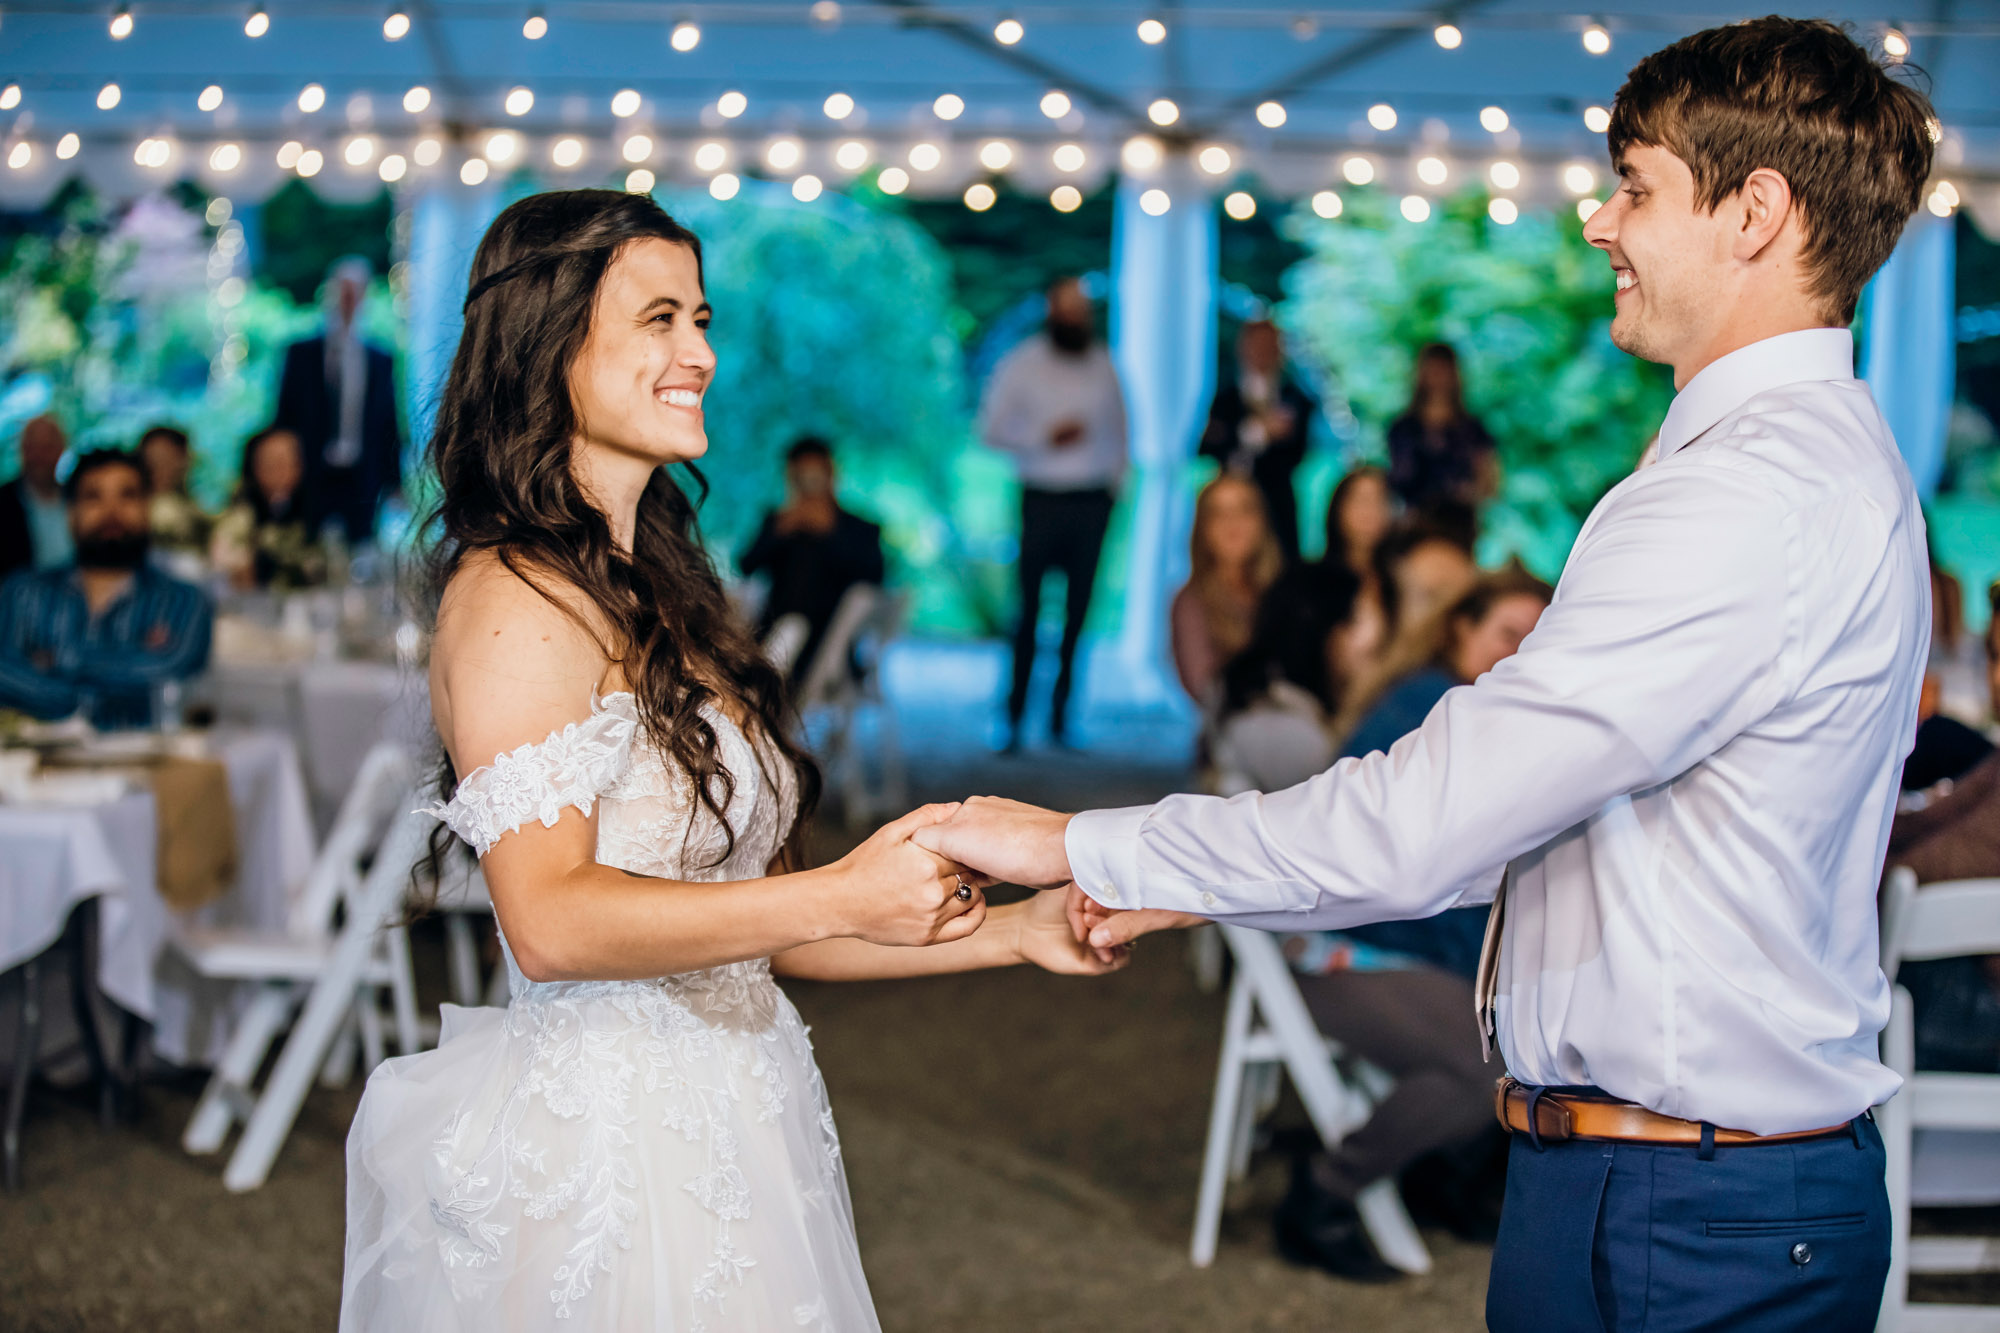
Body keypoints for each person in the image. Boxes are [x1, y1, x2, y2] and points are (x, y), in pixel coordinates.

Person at [919, 19, 1937, 1331]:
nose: (1599, 222)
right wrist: (1209, 880)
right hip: (1702, 1183)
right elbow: (1537, 820)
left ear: (1755, 212)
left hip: (1683, 1204)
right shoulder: (1818, 460)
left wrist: (1088, 844)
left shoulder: (1741, 495)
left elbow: (1434, 822)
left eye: (1635, 185)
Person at [339, 189, 1122, 1332]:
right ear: (550, 340)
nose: (698, 352)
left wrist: (1016, 931)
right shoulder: (510, 595)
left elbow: (750, 928)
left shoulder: (664, 586)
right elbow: (550, 921)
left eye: (701, 319)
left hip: (745, 1119)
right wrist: (842, 886)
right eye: (658, 319)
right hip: (610, 1159)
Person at [1275, 569, 1554, 1279]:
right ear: (1460, 628)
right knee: (1487, 1061)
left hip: (1408, 944)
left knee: (1546, 1024)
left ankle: (1447, 1177)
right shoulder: (1431, 708)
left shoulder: (1478, 711)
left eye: (1537, 635)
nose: (1522, 648)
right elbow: (1401, 876)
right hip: (1348, 949)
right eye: (1506, 632)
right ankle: (1325, 1189)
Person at [978, 275, 1129, 751]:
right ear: (1050, 309)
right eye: (1067, 306)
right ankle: (1015, 716)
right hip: (1041, 496)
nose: (1075, 315)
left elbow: (1123, 431)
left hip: (1091, 500)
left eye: (1080, 307)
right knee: (1027, 610)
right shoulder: (1020, 363)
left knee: (1078, 613)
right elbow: (990, 429)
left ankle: (1063, 716)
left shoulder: (1103, 363)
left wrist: (1114, 491)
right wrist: (1043, 438)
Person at [0, 449, 212, 729]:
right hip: (34, 764)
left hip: (149, 762)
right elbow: (5, 675)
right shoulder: (23, 591)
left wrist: (55, 662)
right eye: (93, 497)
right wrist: (97, 688)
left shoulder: (185, 600)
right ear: (70, 513)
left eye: (128, 496)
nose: (112, 512)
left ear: (147, 508)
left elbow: (167, 672)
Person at [273, 257, 403, 544]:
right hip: (311, 472)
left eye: (354, 293)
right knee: (306, 546)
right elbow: (284, 414)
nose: (348, 301)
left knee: (361, 548)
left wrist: (396, 481)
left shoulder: (380, 358)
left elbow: (389, 421)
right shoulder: (301, 353)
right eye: (343, 292)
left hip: (362, 474)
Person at [738, 436, 885, 688]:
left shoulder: (859, 529)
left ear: (830, 473)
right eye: (801, 476)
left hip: (831, 642)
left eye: (815, 474)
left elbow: (874, 577)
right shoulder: (780, 522)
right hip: (770, 630)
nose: (809, 483)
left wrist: (831, 534)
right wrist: (780, 531)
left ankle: (775, 660)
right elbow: (746, 565)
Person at [1199, 319, 1317, 562]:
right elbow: (1208, 446)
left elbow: (1299, 453)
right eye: (1257, 343)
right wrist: (1257, 432)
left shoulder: (1295, 397)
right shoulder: (1224, 396)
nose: (1263, 350)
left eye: (1270, 344)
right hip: (1231, 501)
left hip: (1277, 505)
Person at [1169, 474, 1283, 709]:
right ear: (1203, 527)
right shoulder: (1191, 602)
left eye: (1244, 510)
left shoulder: (1286, 594)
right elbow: (1203, 687)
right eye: (1219, 513)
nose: (1233, 523)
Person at [1385, 343, 1496, 548]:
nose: (1437, 376)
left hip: (1459, 528)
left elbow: (1490, 481)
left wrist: (1468, 494)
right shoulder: (1402, 429)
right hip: (1413, 527)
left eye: (1443, 369)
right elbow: (1392, 481)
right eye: (1432, 368)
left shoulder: (1471, 429)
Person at [210, 426, 323, 590]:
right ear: (254, 468)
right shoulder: (239, 517)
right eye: (271, 463)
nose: (280, 470)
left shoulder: (316, 511)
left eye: (287, 461)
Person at [1322, 466, 1396, 669]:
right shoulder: (1313, 582)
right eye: (1360, 500)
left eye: (1379, 500)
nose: (1370, 511)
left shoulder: (1399, 580)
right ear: (1338, 509)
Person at [0, 414, 74, 578]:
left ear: (61, 450)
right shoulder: (4, 503)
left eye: (47, 447)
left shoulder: (76, 498)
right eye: (32, 447)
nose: (39, 456)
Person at [138, 424, 210, 554]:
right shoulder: (133, 514)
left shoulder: (197, 513)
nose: (158, 467)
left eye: (168, 459)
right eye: (152, 459)